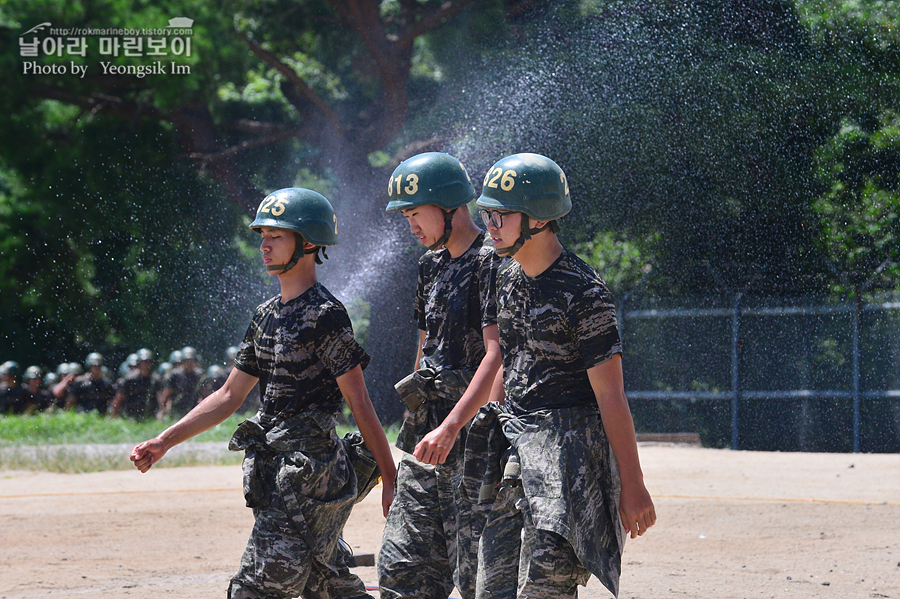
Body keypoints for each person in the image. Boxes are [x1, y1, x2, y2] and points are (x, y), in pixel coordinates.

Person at [130, 187, 397, 599]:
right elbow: (228, 396)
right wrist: (164, 440)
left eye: (276, 235)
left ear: (308, 242)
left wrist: (390, 475)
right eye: (262, 235)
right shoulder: (265, 315)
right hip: (278, 473)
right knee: (324, 585)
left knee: (257, 588)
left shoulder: (325, 315)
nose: (264, 245)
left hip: (311, 473)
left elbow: (358, 401)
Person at [468, 153, 656, 598]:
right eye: (486, 214)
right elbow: (508, 362)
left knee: (544, 587)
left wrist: (634, 486)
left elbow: (611, 396)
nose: (490, 224)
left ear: (538, 218)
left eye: (501, 215)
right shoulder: (505, 274)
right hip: (516, 453)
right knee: (490, 587)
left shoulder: (584, 291)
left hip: (567, 461)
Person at [378, 152, 502, 599]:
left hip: (470, 438)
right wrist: (413, 429)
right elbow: (426, 346)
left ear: (450, 206)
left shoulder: (492, 262)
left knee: (476, 578)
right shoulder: (429, 265)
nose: (410, 225)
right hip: (425, 435)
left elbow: (497, 357)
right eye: (405, 215)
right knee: (400, 569)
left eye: (415, 213)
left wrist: (454, 427)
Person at [110, 348, 160, 419]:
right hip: (129, 417)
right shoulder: (129, 380)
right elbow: (119, 399)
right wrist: (113, 415)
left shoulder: (155, 380)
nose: (147, 364)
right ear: (139, 363)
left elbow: (161, 398)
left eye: (149, 361)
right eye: (144, 362)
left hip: (149, 417)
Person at [158, 346, 204, 418]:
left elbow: (204, 393)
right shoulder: (175, 374)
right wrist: (162, 409)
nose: (190, 363)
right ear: (183, 361)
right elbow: (167, 393)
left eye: (192, 360)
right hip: (177, 410)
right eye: (187, 360)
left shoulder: (199, 374)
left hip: (194, 409)